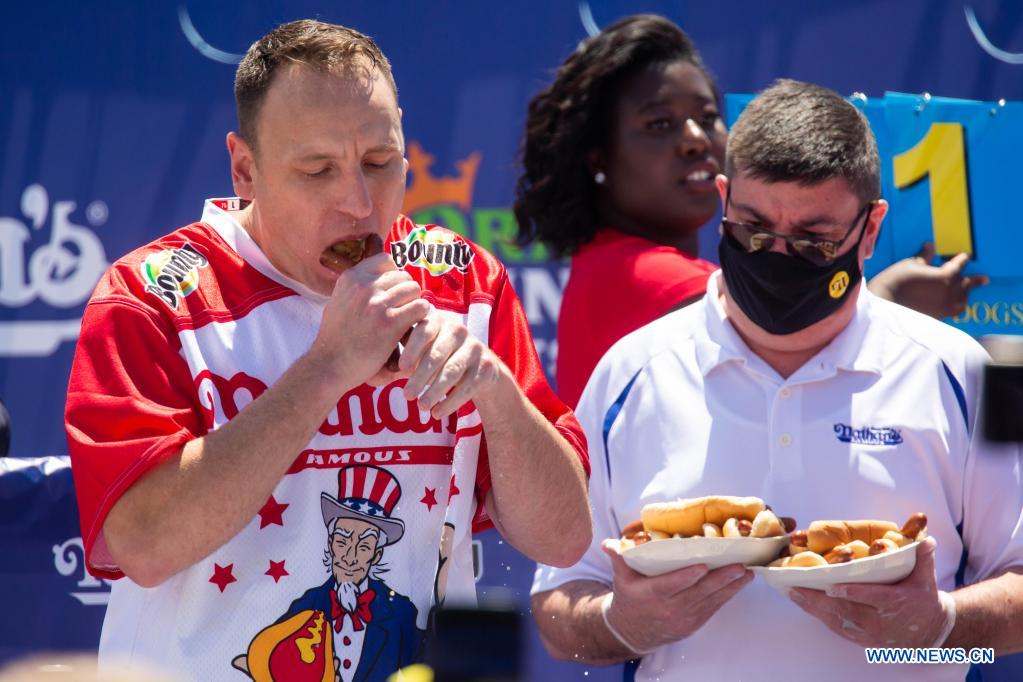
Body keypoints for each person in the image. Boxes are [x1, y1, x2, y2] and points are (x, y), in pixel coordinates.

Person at [64, 20, 591, 682]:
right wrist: (325, 371)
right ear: (245, 169)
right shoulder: (153, 297)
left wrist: (493, 391)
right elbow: (142, 544)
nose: (359, 203)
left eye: (379, 161)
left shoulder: (463, 280)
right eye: (317, 170)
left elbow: (565, 537)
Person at [531, 79, 1023, 681]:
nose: (778, 257)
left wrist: (937, 629)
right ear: (723, 198)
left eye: (815, 242)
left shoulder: (960, 372)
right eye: (754, 232)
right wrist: (622, 625)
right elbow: (557, 608)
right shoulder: (631, 373)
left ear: (869, 230)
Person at [513, 14, 989, 408]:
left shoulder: (608, 261)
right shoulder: (642, 274)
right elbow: (788, 336)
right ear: (599, 157)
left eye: (705, 117)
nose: (696, 139)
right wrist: (895, 296)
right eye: (659, 124)